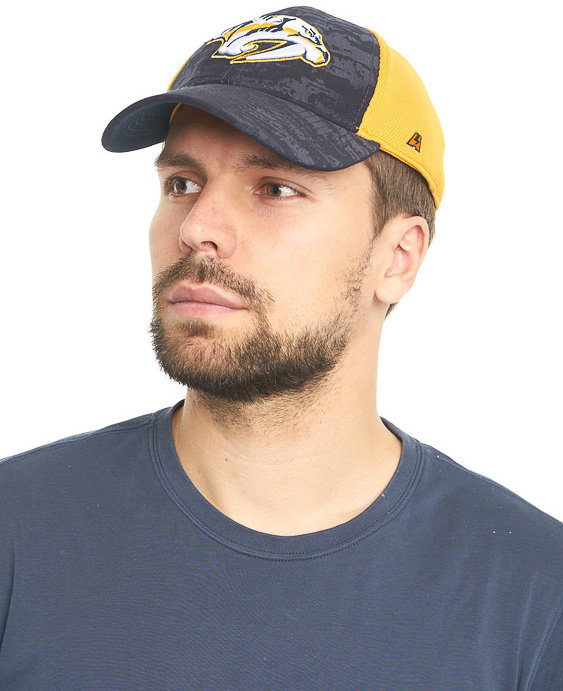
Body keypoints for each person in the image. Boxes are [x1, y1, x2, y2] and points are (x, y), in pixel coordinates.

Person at [0, 5, 561, 688]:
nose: (197, 227)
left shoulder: (534, 595)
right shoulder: (17, 534)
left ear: (398, 257)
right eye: (182, 183)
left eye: (274, 189)